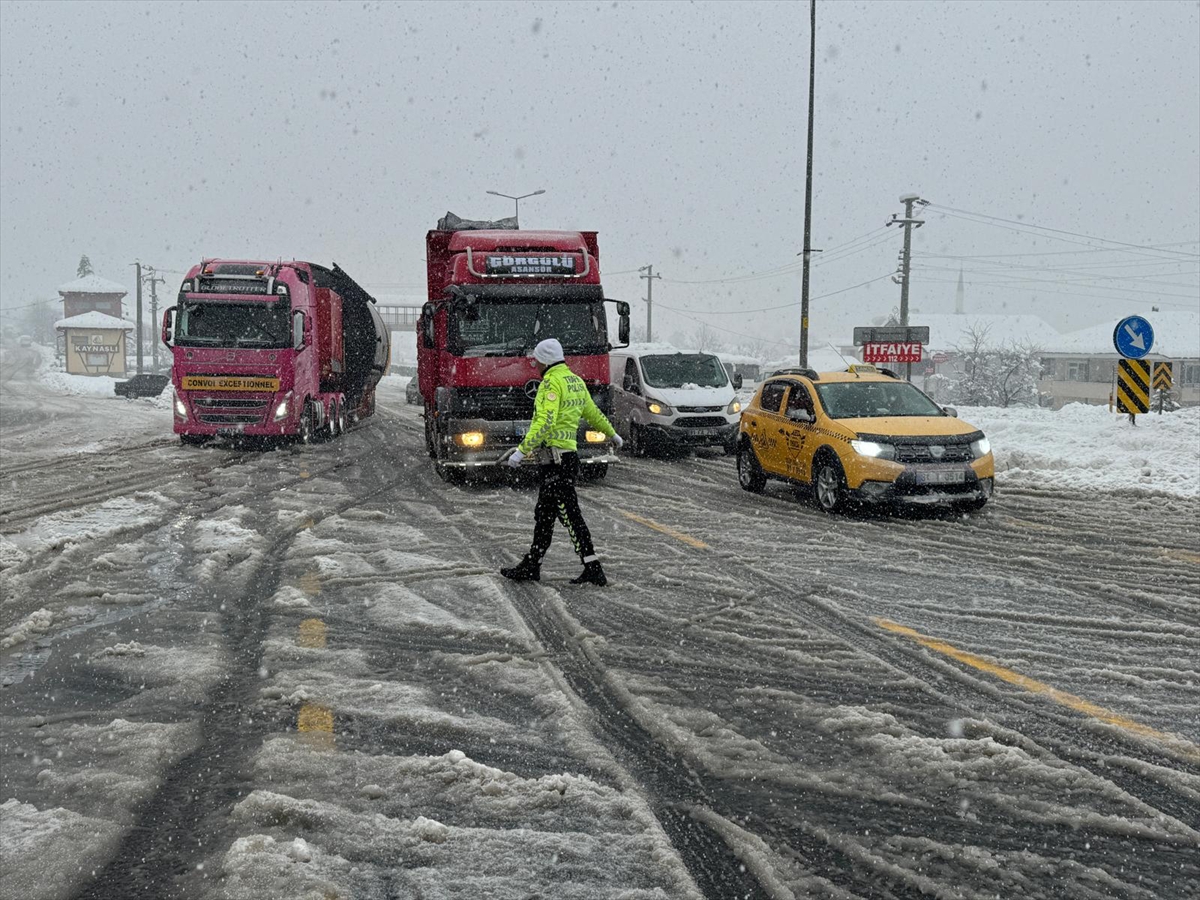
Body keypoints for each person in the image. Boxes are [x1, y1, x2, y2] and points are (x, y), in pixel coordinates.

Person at [499, 338, 623, 586]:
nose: (535, 366)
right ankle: (532, 564)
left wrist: (521, 451)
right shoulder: (574, 381)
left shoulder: (550, 383)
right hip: (567, 459)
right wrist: (612, 433)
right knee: (544, 515)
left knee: (569, 514)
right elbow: (593, 413)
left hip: (555, 461)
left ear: (544, 360)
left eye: (537, 361)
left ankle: (593, 567)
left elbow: (544, 422)